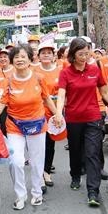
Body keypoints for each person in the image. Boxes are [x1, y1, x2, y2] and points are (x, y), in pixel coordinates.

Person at [53, 37, 108, 206]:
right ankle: (75, 175)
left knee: (92, 152)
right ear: (73, 54)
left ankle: (93, 191)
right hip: (73, 118)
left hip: (93, 117)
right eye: (80, 53)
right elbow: (62, 94)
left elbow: (105, 92)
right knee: (76, 150)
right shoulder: (66, 73)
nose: (84, 56)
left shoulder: (95, 70)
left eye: (87, 53)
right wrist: (58, 113)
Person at [0, 44, 57, 209]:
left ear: (29, 59)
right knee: (16, 162)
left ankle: (36, 193)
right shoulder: (7, 82)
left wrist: (57, 115)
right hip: (15, 126)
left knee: (36, 162)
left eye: (23, 57)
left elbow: (47, 99)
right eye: (16, 57)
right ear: (12, 61)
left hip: (37, 124)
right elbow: (0, 104)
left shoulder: (39, 78)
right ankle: (20, 195)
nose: (20, 60)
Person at [34, 40, 63, 189]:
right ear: (38, 56)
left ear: (53, 55)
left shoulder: (60, 70)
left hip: (54, 112)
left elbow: (63, 93)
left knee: (50, 143)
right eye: (43, 53)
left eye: (49, 53)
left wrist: (58, 112)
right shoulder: (33, 70)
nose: (46, 55)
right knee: (38, 144)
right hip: (37, 112)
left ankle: (46, 171)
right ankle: (38, 174)